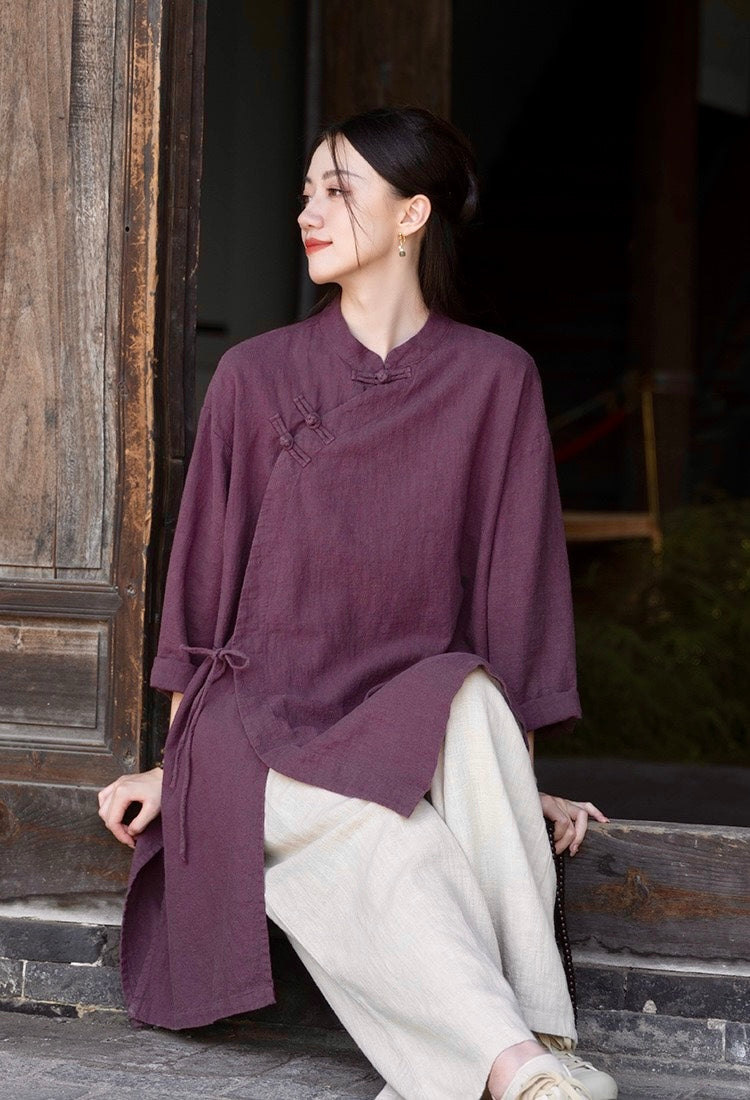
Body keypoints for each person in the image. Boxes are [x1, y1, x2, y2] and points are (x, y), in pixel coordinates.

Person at [98, 106, 617, 1100]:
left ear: (413, 213)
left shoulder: (495, 379)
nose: (308, 212)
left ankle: (527, 1060)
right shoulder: (256, 376)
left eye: (337, 191)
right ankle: (529, 1062)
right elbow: (200, 586)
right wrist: (174, 764)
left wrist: (510, 789)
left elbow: (515, 599)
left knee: (470, 694)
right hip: (259, 724)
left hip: (397, 719)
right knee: (391, 839)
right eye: (306, 193)